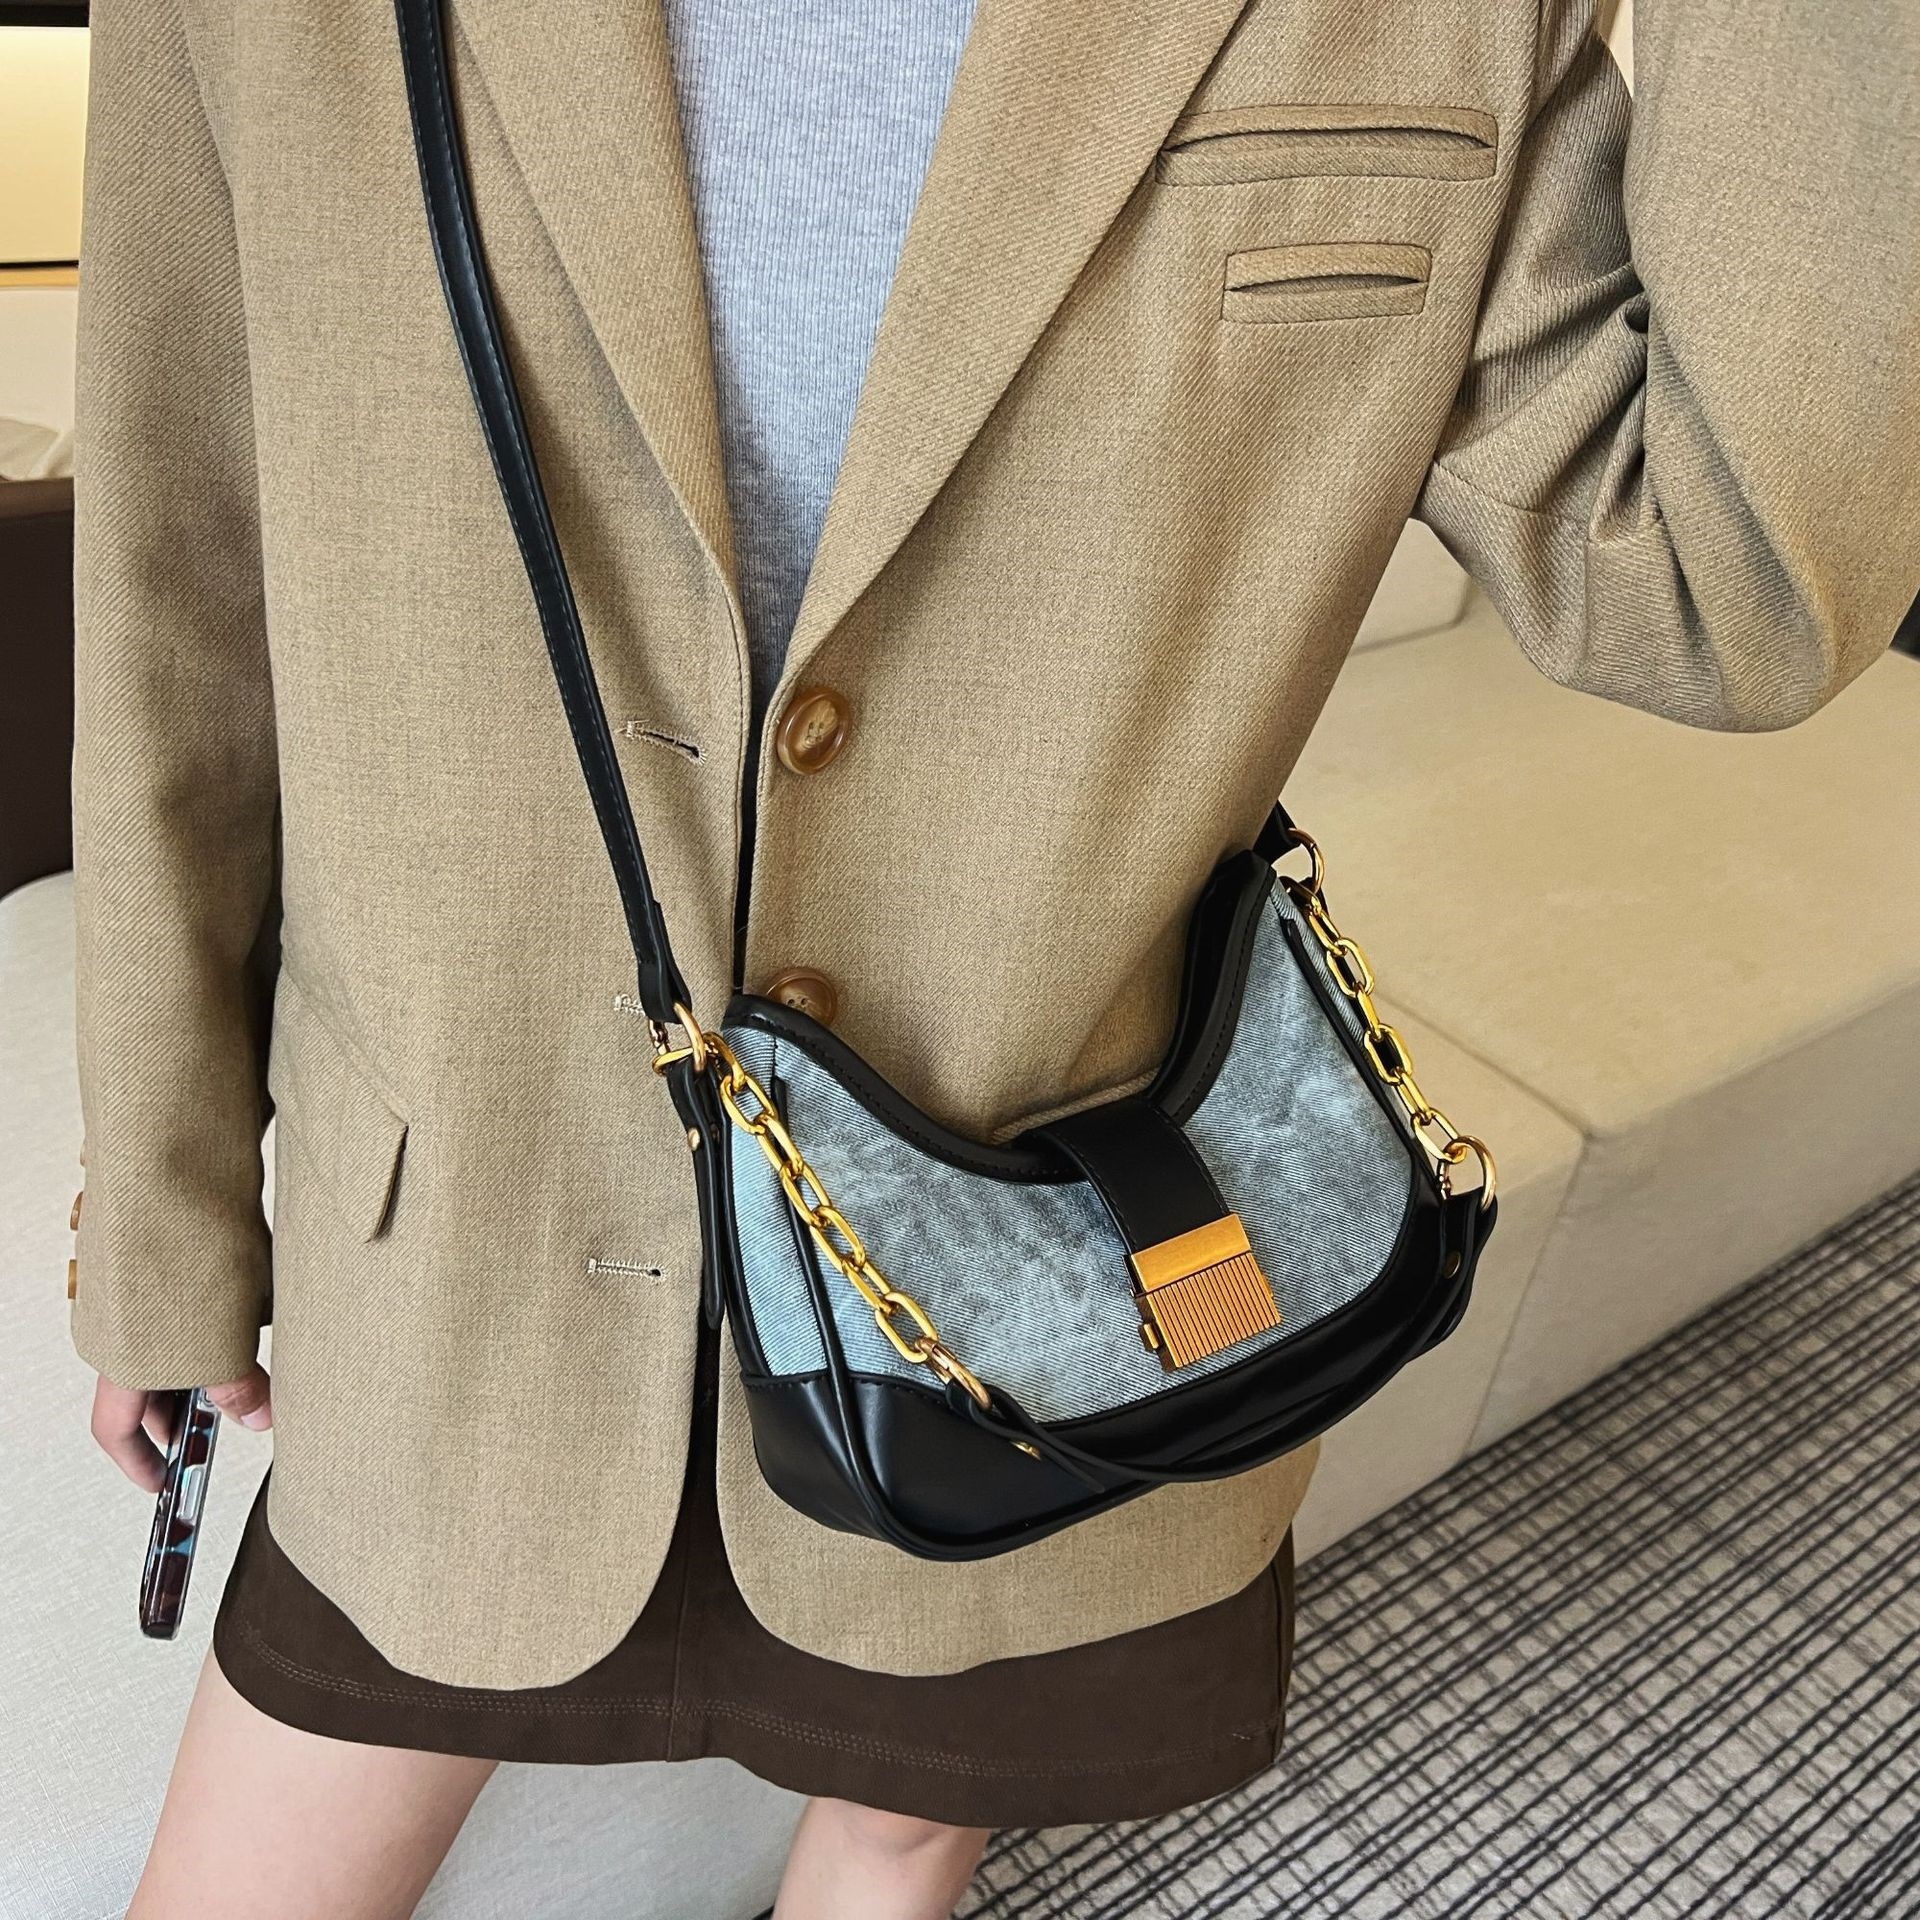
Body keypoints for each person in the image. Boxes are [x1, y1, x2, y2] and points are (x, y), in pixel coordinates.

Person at [72, 0, 1918, 1915]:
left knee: (900, 1824)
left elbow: (1733, 594)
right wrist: (162, 1218)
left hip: (1046, 1268)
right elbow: (177, 598)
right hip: (457, 1248)